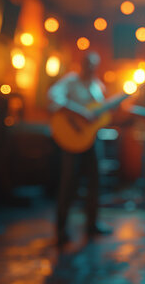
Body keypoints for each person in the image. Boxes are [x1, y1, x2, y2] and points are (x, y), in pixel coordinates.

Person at [48, 52, 112, 244]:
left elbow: (99, 114)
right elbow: (53, 98)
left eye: (94, 65)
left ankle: (92, 224)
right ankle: (61, 229)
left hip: (91, 138)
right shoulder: (70, 81)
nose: (91, 68)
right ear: (82, 64)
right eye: (88, 64)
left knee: (95, 181)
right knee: (69, 182)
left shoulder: (98, 86)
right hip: (72, 137)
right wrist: (79, 112)